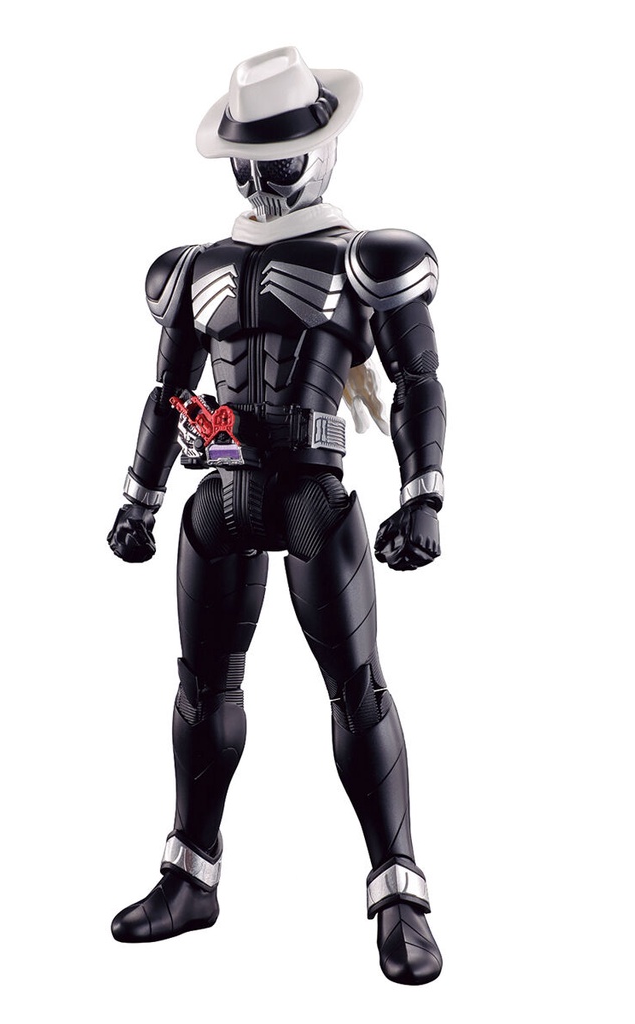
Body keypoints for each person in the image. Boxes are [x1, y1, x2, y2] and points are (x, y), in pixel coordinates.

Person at [107, 47, 446, 985]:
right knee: (199, 690)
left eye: (278, 158)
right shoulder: (193, 270)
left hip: (309, 496)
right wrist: (137, 496)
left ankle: (401, 896)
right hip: (221, 492)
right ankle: (190, 876)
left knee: (358, 691)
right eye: (245, 163)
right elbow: (167, 393)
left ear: (322, 148)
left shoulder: (366, 260)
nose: (261, 181)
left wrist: (424, 494)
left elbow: (418, 382)